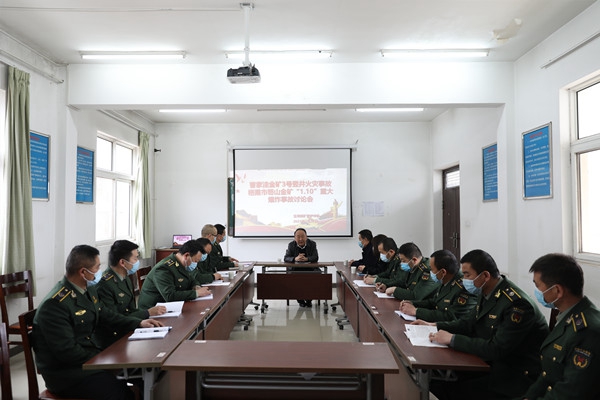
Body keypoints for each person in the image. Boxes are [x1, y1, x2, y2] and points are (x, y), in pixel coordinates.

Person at [32, 245, 162, 400]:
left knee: (145, 373)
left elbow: (107, 315)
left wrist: (138, 323)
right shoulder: (55, 305)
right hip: (68, 374)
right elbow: (67, 352)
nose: (101, 271)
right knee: (119, 392)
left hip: (90, 360)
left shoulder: (87, 289)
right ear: (83, 272)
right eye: (97, 267)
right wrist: (105, 360)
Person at [417, 249, 549, 400]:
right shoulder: (486, 292)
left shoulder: (517, 304)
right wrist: (434, 325)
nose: (464, 279)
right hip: (490, 363)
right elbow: (467, 323)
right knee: (436, 380)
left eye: (467, 275)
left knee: (449, 388)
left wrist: (453, 339)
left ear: (485, 276)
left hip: (514, 375)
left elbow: (496, 349)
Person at [519, 253, 600, 400]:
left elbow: (569, 393)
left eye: (538, 286)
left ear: (558, 290)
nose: (537, 292)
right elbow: (548, 374)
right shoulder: (568, 316)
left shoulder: (587, 331)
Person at [96, 240, 167, 347]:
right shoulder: (104, 284)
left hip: (129, 327)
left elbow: (131, 309)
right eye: (135, 258)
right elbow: (113, 320)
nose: (137, 262)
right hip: (115, 336)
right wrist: (146, 313)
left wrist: (145, 319)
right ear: (122, 262)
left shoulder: (125, 278)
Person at [138, 239, 220, 309]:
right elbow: (170, 296)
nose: (195, 264)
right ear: (186, 255)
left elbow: (192, 280)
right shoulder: (164, 268)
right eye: (195, 261)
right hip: (153, 309)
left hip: (170, 306)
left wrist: (196, 286)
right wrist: (197, 293)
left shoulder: (183, 264)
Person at [399, 249, 476, 322]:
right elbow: (434, 302)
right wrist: (412, 303)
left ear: (443, 272)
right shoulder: (445, 280)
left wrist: (416, 311)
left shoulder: (464, 288)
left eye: (432, 269)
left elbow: (450, 316)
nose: (430, 272)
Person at [284, 227, 319, 307]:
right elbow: (286, 258)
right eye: (298, 237)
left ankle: (309, 300)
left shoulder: (312, 244)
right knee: (294, 281)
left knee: (316, 277)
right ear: (294, 238)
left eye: (302, 236)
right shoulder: (291, 245)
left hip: (310, 269)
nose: (300, 239)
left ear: (306, 237)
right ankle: (300, 300)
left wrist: (307, 259)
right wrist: (295, 258)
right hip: (295, 269)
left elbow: (315, 257)